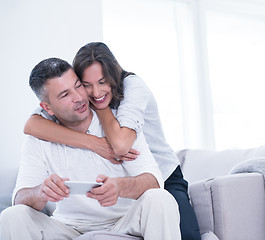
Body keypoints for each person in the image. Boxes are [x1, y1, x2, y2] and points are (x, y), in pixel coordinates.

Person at [24, 42, 201, 240]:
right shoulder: (79, 101)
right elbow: (32, 125)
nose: (95, 93)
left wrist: (99, 108)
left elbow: (120, 146)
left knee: (184, 231)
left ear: (113, 76)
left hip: (163, 172)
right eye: (86, 84)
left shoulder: (132, 87)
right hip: (132, 177)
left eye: (102, 82)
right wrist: (93, 143)